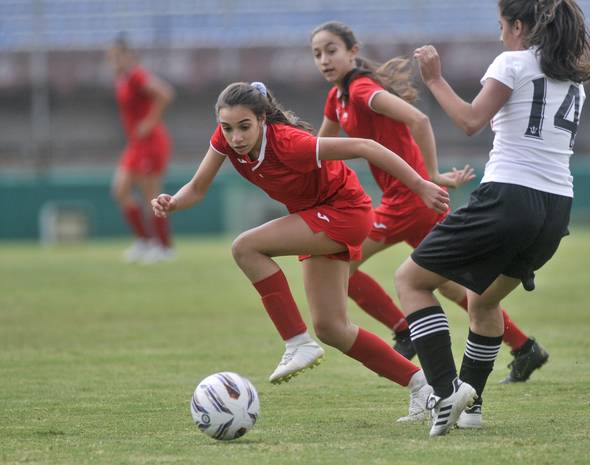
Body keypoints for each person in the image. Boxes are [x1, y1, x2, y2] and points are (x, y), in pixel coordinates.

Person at [151, 81, 450, 420]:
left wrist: (421, 184)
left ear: (263, 119)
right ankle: (426, 388)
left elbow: (366, 146)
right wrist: (172, 202)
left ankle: (296, 342)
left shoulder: (291, 143)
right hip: (317, 216)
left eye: (244, 127)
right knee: (332, 328)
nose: (235, 137)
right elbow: (197, 187)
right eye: (228, 128)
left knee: (245, 247)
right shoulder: (227, 142)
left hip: (346, 212)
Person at [310, 20, 548, 384]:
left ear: (353, 52)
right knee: (452, 286)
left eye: (331, 50)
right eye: (317, 54)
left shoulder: (361, 91)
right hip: (407, 202)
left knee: (342, 265)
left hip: (409, 201)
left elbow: (419, 119)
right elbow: (320, 152)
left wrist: (431, 175)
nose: (324, 59)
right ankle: (524, 347)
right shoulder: (337, 98)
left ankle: (404, 329)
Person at [395, 0, 590, 436]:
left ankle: (446, 391)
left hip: (509, 196)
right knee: (483, 302)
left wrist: (435, 79)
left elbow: (470, 121)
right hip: (556, 207)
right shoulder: (573, 82)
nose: (500, 34)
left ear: (519, 26)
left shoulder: (514, 61)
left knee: (411, 281)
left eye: (502, 25)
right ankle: (472, 407)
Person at [108, 35, 175, 264]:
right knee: (120, 189)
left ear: (128, 56)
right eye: (112, 56)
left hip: (151, 141)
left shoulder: (136, 75)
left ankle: (164, 247)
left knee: (151, 195)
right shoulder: (123, 79)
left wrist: (149, 122)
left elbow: (165, 93)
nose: (114, 60)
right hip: (136, 144)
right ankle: (145, 241)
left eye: (118, 56)